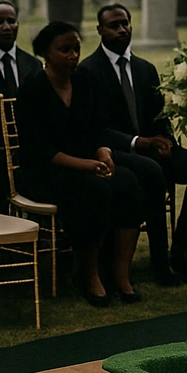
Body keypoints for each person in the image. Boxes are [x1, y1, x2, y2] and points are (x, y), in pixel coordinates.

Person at [79, 3, 187, 282]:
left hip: (152, 147)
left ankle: (183, 252)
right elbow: (95, 128)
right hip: (116, 153)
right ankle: (160, 263)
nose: (121, 29)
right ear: (100, 29)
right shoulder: (88, 72)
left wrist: (166, 140)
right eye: (114, 25)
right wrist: (138, 142)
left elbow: (159, 116)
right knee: (151, 174)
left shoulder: (145, 69)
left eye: (125, 23)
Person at [19, 22, 146, 305]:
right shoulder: (33, 88)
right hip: (45, 170)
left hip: (87, 163)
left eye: (76, 48)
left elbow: (97, 130)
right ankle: (90, 274)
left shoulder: (86, 82)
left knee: (128, 184)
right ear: (46, 53)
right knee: (94, 191)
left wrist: (103, 154)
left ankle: (121, 274)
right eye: (65, 50)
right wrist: (86, 165)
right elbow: (40, 150)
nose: (73, 55)